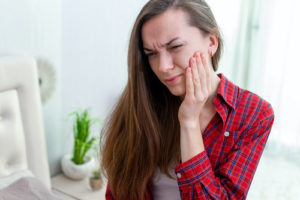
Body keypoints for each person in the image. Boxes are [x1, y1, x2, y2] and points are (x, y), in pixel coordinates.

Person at [100, 0, 274, 199]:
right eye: (151, 54)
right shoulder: (144, 102)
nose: (163, 66)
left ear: (211, 42)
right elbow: (118, 192)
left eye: (175, 46)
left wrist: (189, 122)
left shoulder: (254, 114)